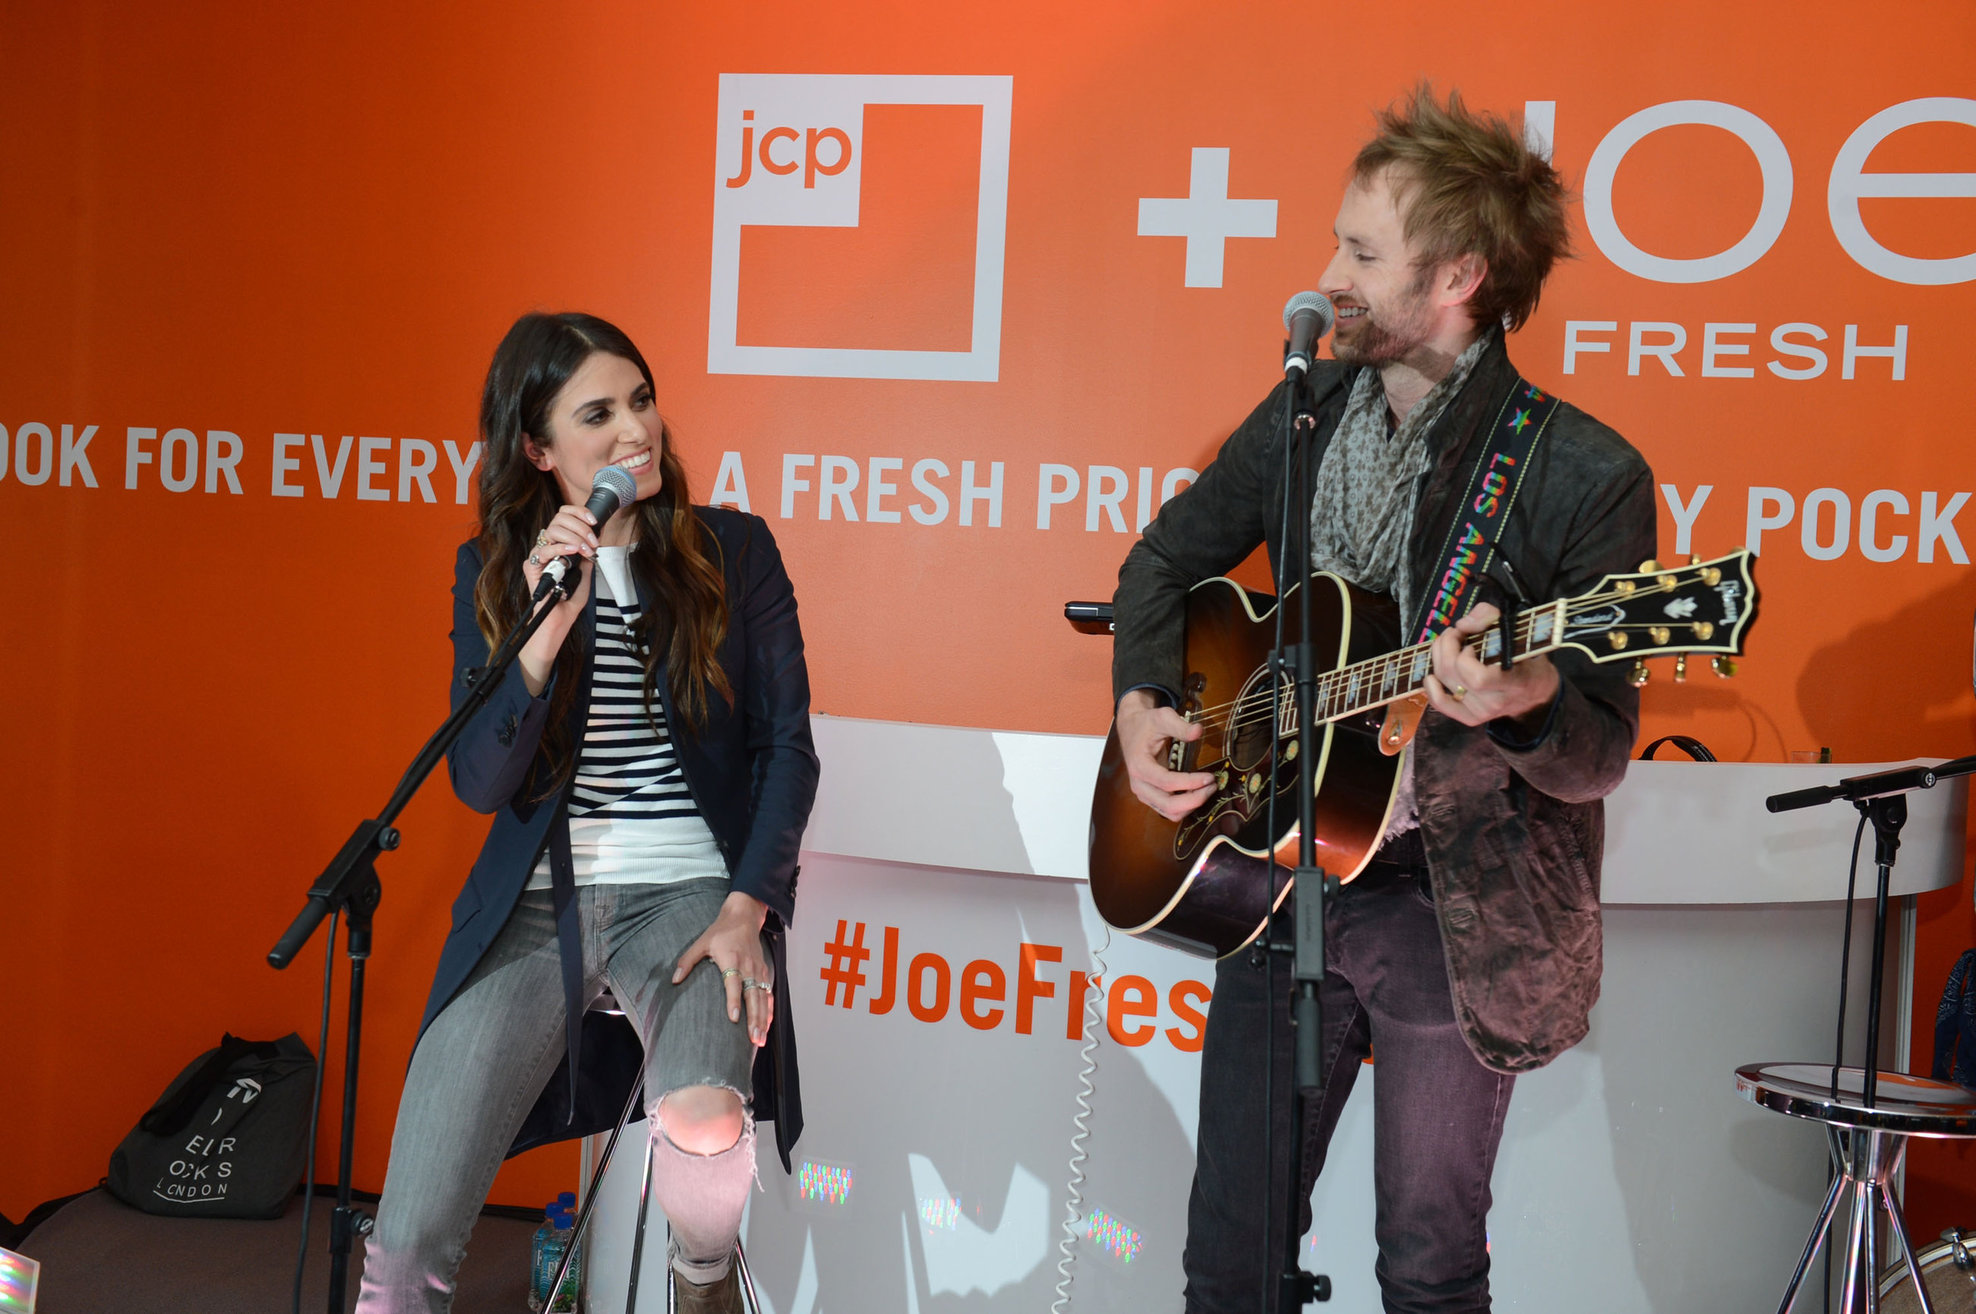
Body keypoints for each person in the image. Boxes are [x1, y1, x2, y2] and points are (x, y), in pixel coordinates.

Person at [1109, 88, 1657, 1313]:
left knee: (1425, 1267)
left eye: (1361, 253)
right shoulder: (1303, 412)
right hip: (1276, 878)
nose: (1325, 279)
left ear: (1458, 275)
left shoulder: (1580, 472)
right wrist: (1143, 701)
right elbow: (1161, 563)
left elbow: (1595, 752)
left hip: (1450, 906)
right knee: (1228, 1266)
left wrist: (1520, 696)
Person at [356, 311, 818, 1314]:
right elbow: (480, 782)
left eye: (640, 401)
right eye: (597, 414)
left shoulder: (731, 552)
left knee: (705, 1122)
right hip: (540, 903)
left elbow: (787, 748)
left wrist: (748, 909)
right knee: (409, 1238)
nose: (634, 431)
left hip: (693, 896)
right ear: (538, 448)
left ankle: (703, 1278)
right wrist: (540, 636)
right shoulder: (496, 570)